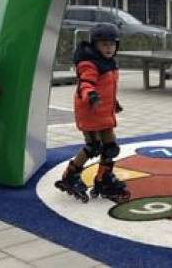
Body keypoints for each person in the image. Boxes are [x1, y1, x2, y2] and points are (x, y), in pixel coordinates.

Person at [55, 23, 129, 203]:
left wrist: (113, 102)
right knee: (94, 146)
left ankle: (103, 177)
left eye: (112, 44)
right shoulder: (89, 63)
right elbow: (85, 84)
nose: (109, 48)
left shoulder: (109, 63)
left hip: (103, 111)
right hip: (89, 110)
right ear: (95, 45)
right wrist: (92, 95)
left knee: (111, 147)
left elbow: (108, 87)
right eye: (104, 44)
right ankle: (70, 175)